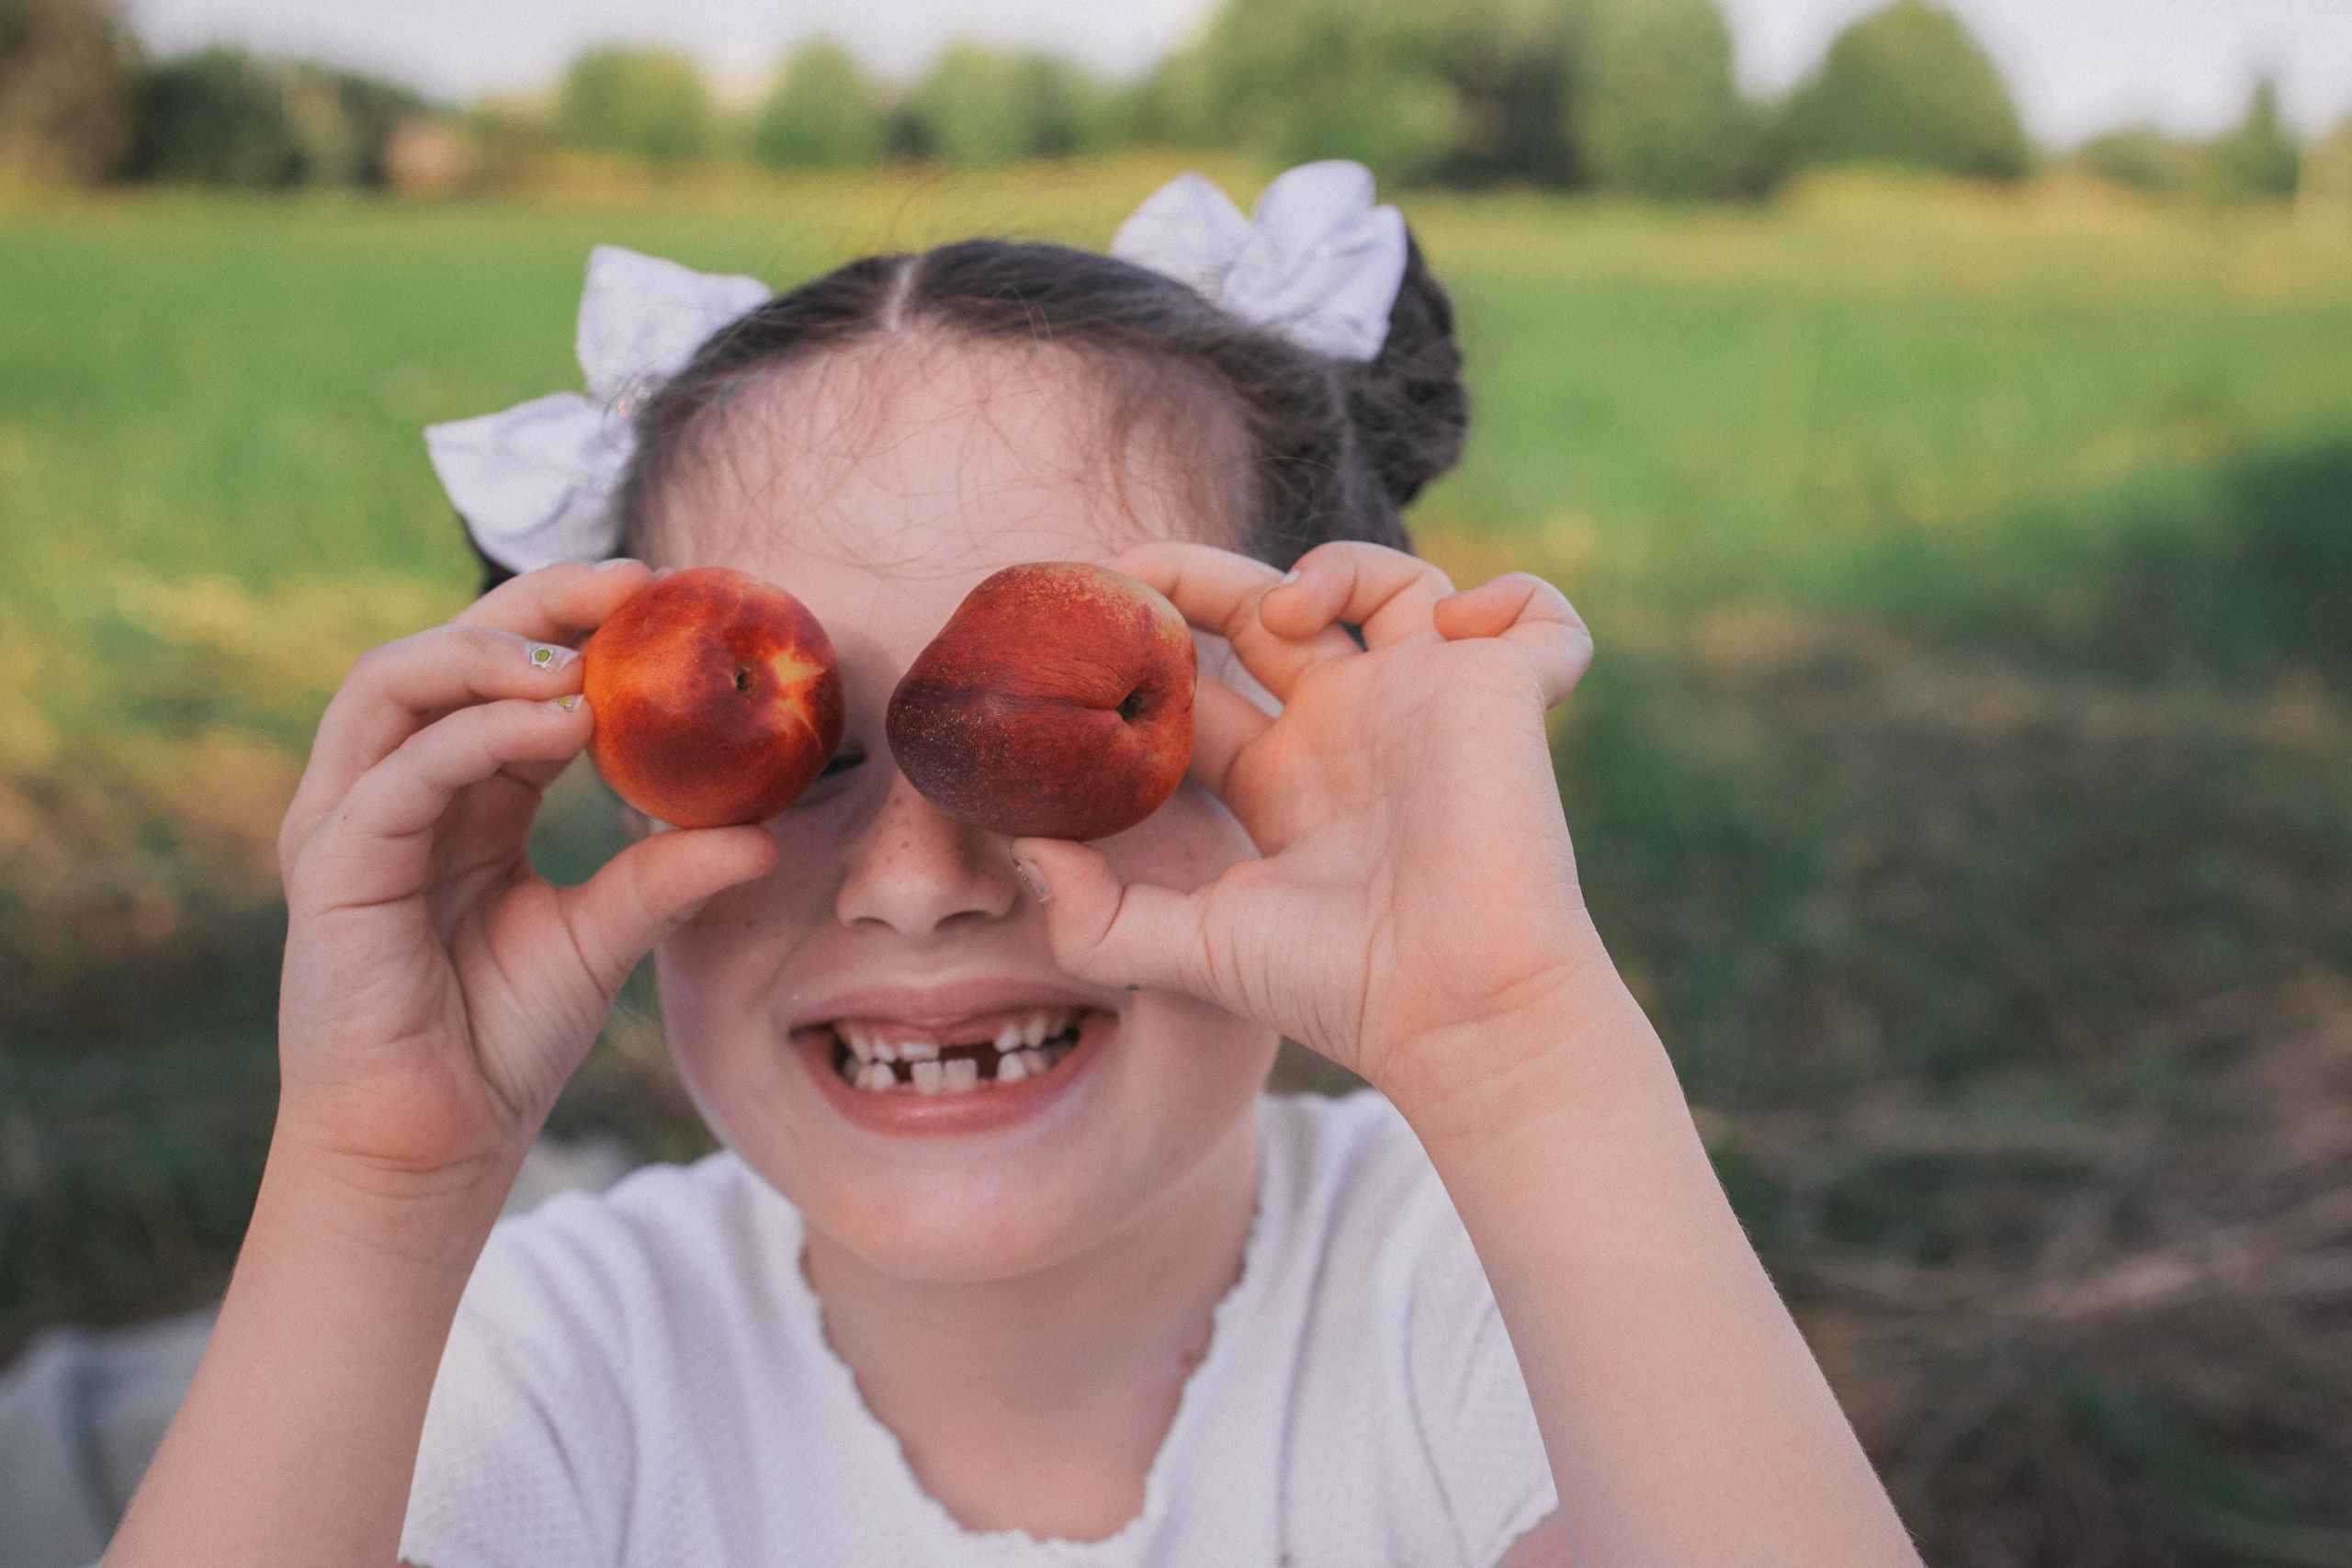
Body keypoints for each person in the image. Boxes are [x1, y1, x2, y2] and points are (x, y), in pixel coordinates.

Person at [105, 164, 1919, 1567]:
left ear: (1310, 754)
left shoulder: (1480, 1287)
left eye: (1055, 745)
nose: (916, 881)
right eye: (793, 754)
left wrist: (1523, 1054)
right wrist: (375, 1177)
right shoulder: (546, 1354)